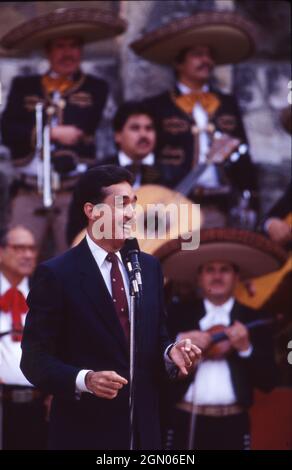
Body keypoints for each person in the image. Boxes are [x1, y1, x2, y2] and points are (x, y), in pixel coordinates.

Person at [20, 165, 201, 450]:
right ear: (92, 212)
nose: (130, 213)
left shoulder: (149, 267)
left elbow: (157, 337)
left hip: (144, 434)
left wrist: (170, 353)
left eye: (133, 203)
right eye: (121, 204)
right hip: (84, 434)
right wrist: (85, 379)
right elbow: (34, 360)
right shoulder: (57, 274)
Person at [0, 7, 126, 255]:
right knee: (16, 255)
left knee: (75, 259)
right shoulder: (24, 85)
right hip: (29, 189)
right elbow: (8, 130)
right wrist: (50, 133)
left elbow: (84, 126)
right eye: (60, 46)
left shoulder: (95, 87)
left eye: (73, 46)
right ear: (48, 51)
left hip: (72, 193)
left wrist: (38, 129)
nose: (67, 53)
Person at [131, 11, 259, 228]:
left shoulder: (227, 103)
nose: (206, 60)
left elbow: (244, 156)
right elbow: (146, 157)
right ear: (179, 63)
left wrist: (253, 201)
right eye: (197, 54)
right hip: (175, 205)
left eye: (209, 55)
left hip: (222, 204)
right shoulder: (157, 106)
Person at [162, 229, 279, 450]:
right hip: (184, 419)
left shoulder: (254, 319)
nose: (217, 276)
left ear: (237, 277)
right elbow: (154, 369)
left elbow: (269, 382)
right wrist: (178, 343)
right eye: (210, 270)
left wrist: (245, 348)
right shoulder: (176, 315)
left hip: (232, 424)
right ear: (199, 277)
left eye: (224, 270)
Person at [66, 101, 163, 246]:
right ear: (118, 135)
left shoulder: (169, 175)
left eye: (149, 128)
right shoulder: (96, 174)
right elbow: (77, 225)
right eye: (135, 128)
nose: (143, 134)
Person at [0, 226, 48, 449]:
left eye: (32, 248)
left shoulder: (43, 295)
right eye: (19, 248)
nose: (28, 255)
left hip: (38, 403)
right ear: (1, 252)